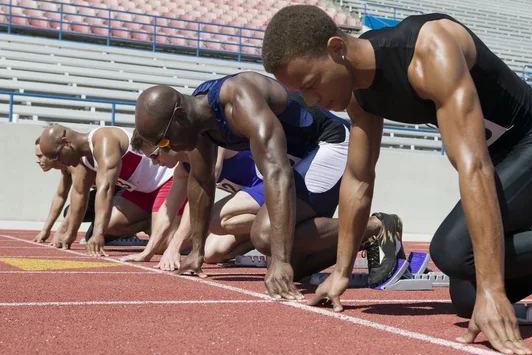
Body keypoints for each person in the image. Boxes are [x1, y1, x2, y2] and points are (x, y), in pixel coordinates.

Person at [261, 5, 532, 355]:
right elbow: (357, 178)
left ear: (337, 49)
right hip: (503, 161)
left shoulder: (428, 50)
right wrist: (340, 272)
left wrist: (495, 291)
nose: (312, 101)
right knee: (466, 300)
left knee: (452, 251)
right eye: (301, 94)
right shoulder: (358, 94)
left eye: (311, 86)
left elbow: (474, 166)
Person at [134, 74, 397, 299]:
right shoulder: (198, 122)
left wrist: (279, 262)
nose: (169, 150)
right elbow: (201, 182)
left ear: (180, 116)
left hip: (330, 143)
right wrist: (196, 252)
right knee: (296, 264)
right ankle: (365, 233)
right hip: (297, 160)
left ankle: (377, 226)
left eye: (165, 143)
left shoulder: (239, 99)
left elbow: (277, 172)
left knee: (266, 236)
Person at [121, 131, 266, 270]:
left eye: (154, 155)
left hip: (269, 187)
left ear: (167, 144)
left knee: (214, 220)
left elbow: (198, 201)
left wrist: (174, 247)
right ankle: (269, 236)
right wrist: (148, 252)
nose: (154, 163)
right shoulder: (183, 169)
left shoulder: (211, 146)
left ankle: (282, 227)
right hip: (251, 196)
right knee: (211, 253)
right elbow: (167, 209)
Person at [38, 125, 182, 257]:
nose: (58, 162)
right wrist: (69, 233)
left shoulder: (104, 139)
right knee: (110, 225)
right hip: (140, 191)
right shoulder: (82, 159)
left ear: (65, 142)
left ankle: (189, 229)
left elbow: (106, 188)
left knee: (161, 247)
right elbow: (80, 193)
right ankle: (153, 224)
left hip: (165, 179)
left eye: (56, 156)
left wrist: (98, 234)